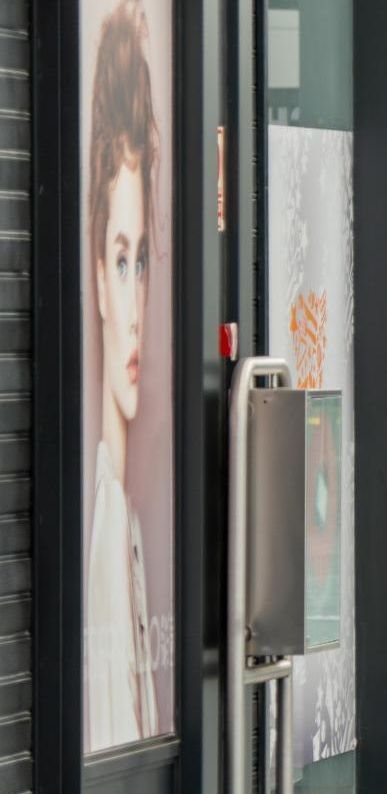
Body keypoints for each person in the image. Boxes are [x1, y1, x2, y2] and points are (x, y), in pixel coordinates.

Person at [84, 0, 161, 752]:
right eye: (118, 258)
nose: (134, 300)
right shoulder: (104, 530)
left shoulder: (123, 518)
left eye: (142, 259)